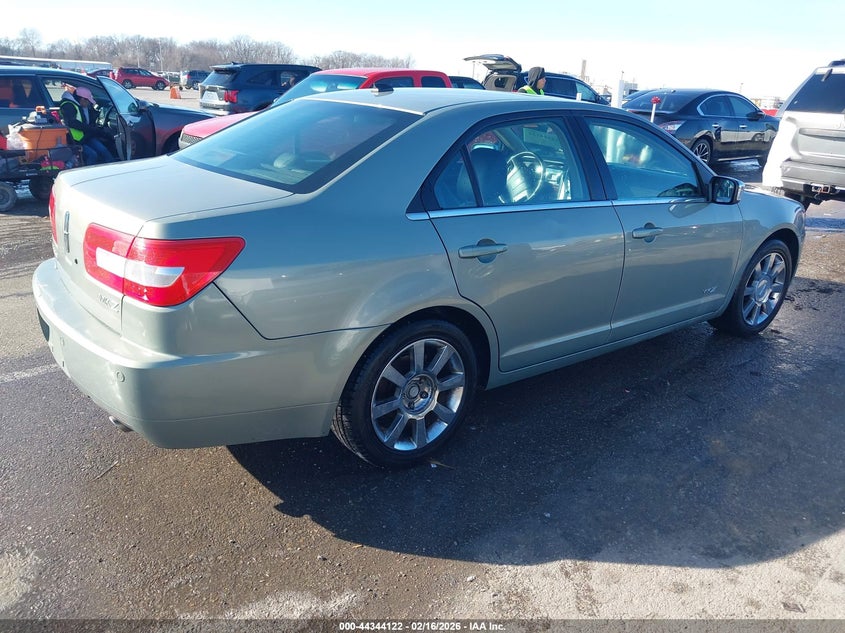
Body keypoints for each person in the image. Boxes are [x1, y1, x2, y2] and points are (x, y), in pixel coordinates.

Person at [59, 85, 115, 165]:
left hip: (85, 137)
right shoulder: (68, 106)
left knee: (103, 150)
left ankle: (113, 169)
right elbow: (72, 122)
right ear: (82, 99)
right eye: (88, 101)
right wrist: (91, 129)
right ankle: (89, 174)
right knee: (92, 155)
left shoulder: (79, 105)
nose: (89, 104)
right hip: (75, 140)